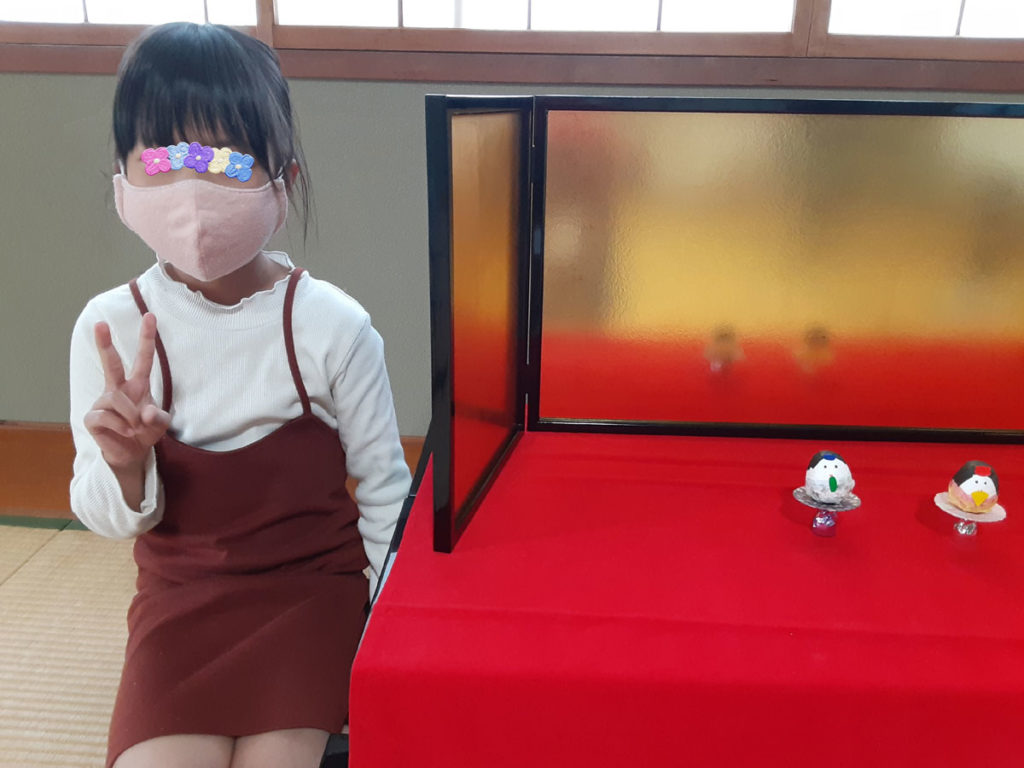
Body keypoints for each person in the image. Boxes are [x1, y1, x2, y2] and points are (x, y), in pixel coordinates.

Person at [68, 22, 411, 768]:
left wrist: (399, 636)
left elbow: (387, 494)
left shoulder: (334, 326)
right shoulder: (109, 326)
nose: (193, 189)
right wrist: (124, 465)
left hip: (310, 599)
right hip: (177, 607)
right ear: (123, 178)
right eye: (164, 158)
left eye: (225, 159)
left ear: (282, 180)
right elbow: (100, 513)